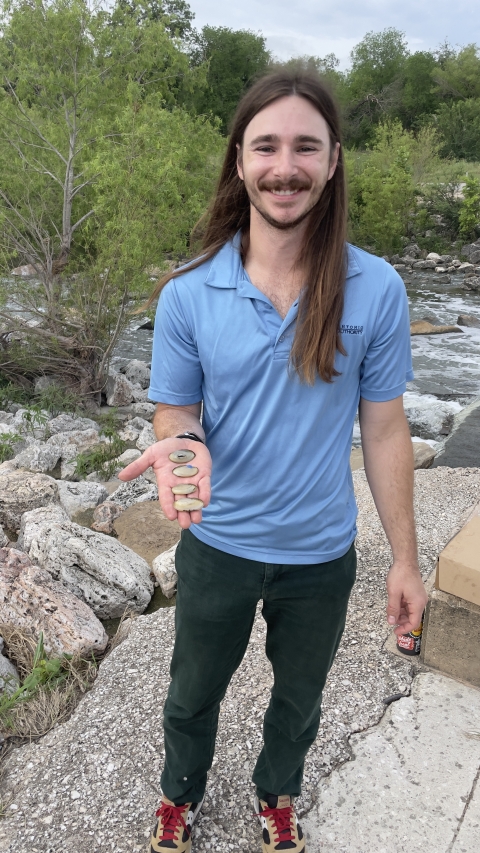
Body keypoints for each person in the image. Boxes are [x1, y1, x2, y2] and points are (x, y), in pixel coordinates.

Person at [118, 70, 428, 853]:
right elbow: (177, 410)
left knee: (299, 700)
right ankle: (178, 794)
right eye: (266, 145)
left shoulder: (377, 288)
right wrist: (181, 444)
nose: (283, 165)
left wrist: (405, 559)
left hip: (321, 555)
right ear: (239, 160)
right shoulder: (189, 292)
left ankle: (277, 793)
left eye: (304, 146)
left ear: (330, 163)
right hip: (218, 545)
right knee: (191, 694)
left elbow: (386, 429)